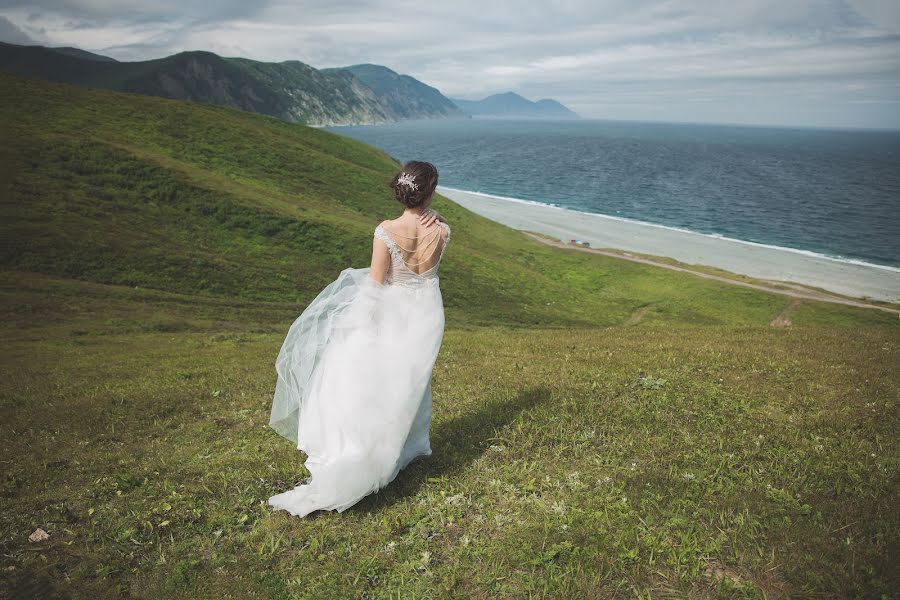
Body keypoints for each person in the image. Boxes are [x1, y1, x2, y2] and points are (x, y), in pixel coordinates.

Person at [267, 161, 451, 517]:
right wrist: (436, 214)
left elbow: (376, 284)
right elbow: (428, 251)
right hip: (426, 313)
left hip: (391, 309)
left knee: (369, 380)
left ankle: (365, 449)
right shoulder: (442, 231)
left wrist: (356, 326)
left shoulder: (386, 231)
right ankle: (403, 447)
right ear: (429, 192)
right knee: (407, 381)